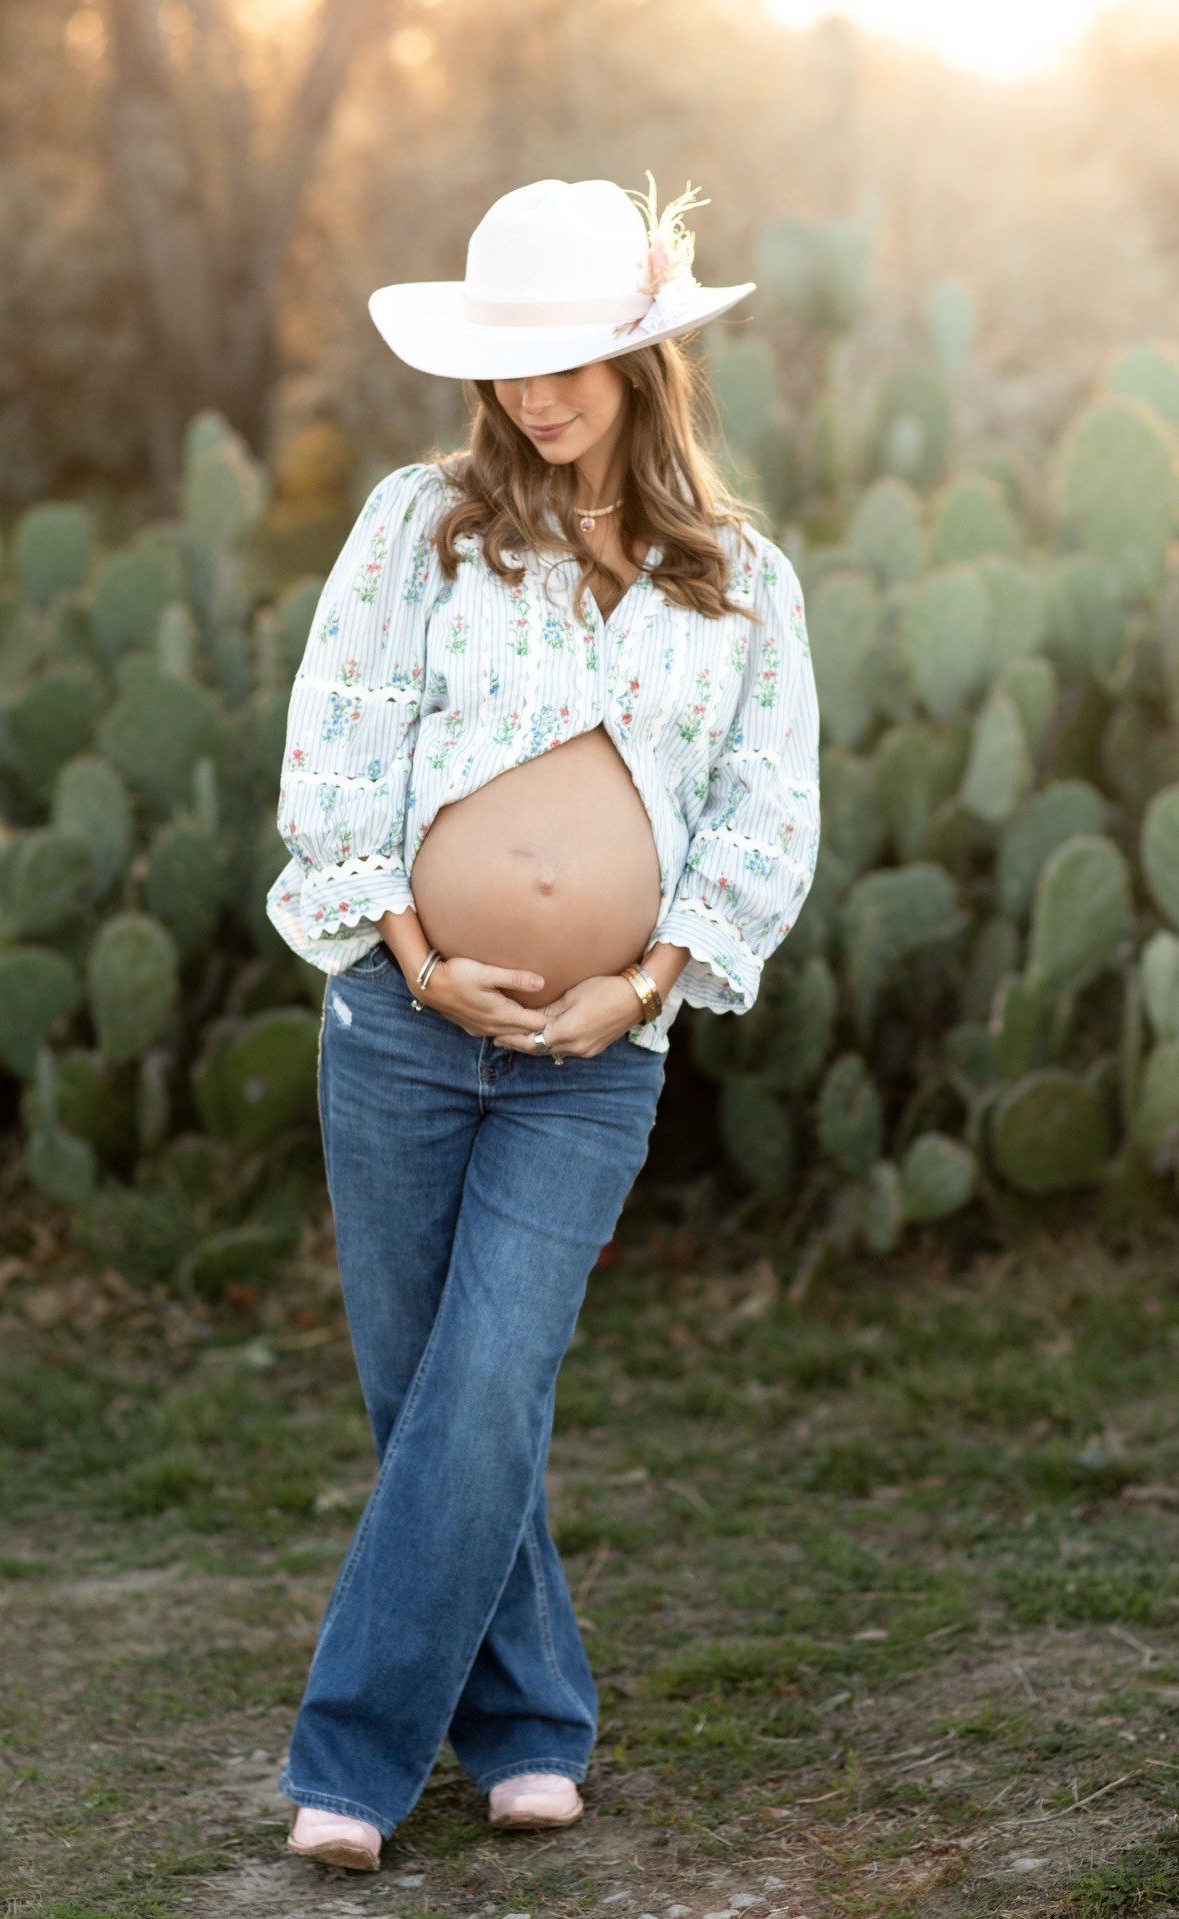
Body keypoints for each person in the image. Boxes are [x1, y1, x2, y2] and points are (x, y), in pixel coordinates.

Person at [265, 174, 820, 1873]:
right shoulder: (417, 524)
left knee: (489, 1377)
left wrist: (640, 982)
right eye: (510, 361)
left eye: (575, 356)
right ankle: (527, 1727)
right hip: (402, 1024)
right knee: (429, 1396)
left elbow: (761, 814)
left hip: (597, 1057)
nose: (538, 391)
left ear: (645, 357)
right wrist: (420, 956)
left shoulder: (739, 578)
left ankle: (351, 1765)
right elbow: (339, 750)